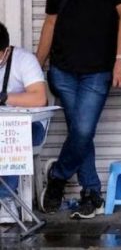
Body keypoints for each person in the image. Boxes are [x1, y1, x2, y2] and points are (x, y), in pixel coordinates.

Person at [36, 0, 121, 220]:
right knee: (81, 130)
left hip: (98, 68)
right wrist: (37, 65)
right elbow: (51, 22)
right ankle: (91, 192)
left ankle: (59, 177)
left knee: (82, 129)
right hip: (62, 69)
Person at [0, 23, 49, 224]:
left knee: (10, 139)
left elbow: (39, 99)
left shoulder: (24, 61)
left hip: (29, 126)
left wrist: (3, 97)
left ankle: (5, 198)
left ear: (5, 51)